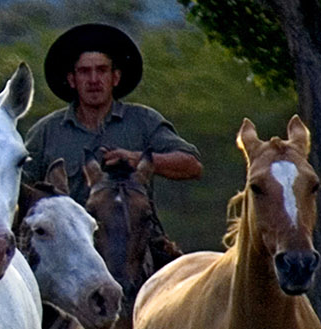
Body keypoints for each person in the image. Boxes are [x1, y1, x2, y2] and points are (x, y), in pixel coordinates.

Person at [24, 23, 201, 203]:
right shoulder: (46, 131)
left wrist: (138, 159)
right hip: (69, 230)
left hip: (133, 229)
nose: (94, 80)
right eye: (84, 72)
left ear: (115, 77)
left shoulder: (144, 121)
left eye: (101, 70)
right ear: (72, 80)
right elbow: (19, 186)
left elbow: (191, 165)